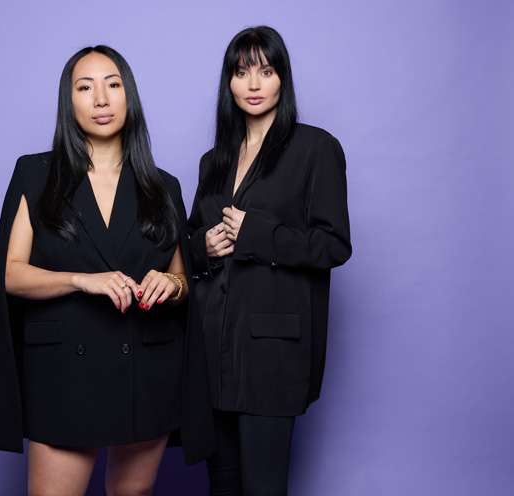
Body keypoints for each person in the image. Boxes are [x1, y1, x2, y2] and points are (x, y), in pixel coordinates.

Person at [0, 45, 193, 495]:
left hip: (144, 369)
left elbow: (184, 280)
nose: (101, 100)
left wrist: (171, 283)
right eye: (85, 88)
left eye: (113, 85)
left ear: (130, 96)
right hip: (64, 373)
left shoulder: (163, 186)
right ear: (69, 103)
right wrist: (79, 280)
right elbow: (11, 274)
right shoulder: (35, 173)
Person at [187, 26, 352, 495]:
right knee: (221, 482)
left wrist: (257, 233)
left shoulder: (315, 149)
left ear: (283, 78)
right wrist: (204, 246)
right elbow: (187, 241)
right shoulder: (213, 161)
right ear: (229, 83)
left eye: (266, 71)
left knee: (263, 486)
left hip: (273, 352)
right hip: (212, 343)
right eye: (241, 73)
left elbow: (333, 246)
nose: (254, 84)